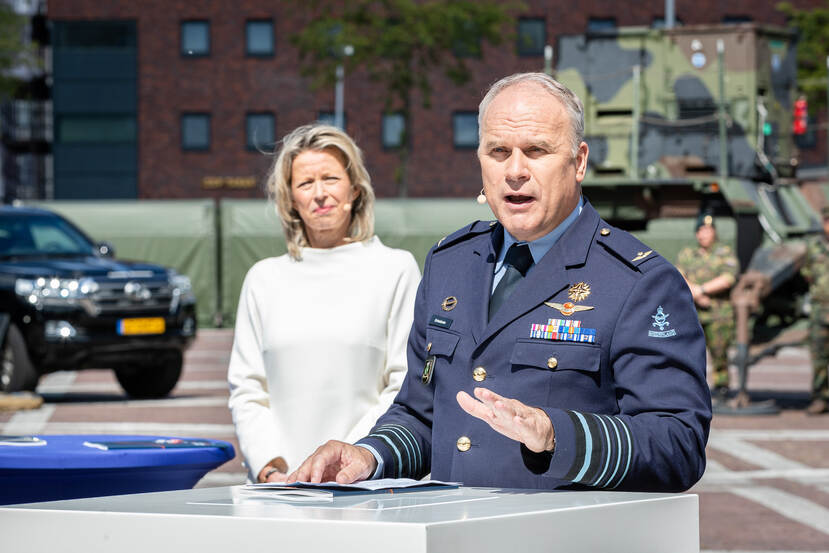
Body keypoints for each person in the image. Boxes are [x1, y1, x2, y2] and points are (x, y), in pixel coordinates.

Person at [289, 73, 711, 493]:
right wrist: (370, 455)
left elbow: (678, 442)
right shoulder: (451, 263)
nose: (514, 171)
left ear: (579, 161)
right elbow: (421, 415)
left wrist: (555, 434)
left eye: (536, 150)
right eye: (498, 151)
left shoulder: (638, 281)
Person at [227, 124, 421, 483]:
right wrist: (271, 469)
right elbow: (248, 390)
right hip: (283, 490)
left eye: (330, 178)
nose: (319, 194)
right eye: (305, 183)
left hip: (366, 485)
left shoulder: (395, 269)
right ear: (290, 200)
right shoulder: (263, 280)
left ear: (355, 189)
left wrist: (352, 459)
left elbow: (403, 383)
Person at [675, 212, 739, 400]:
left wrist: (701, 290)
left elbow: (728, 278)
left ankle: (721, 387)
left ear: (714, 233)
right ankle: (692, 388)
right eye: (701, 231)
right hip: (692, 312)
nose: (704, 234)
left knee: (719, 351)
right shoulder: (688, 254)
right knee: (689, 352)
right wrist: (695, 294)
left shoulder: (724, 253)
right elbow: (678, 275)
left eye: (708, 230)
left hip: (718, 313)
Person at [802, 205, 829, 415]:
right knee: (819, 357)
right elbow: (807, 275)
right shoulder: (814, 248)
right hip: (820, 311)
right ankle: (820, 397)